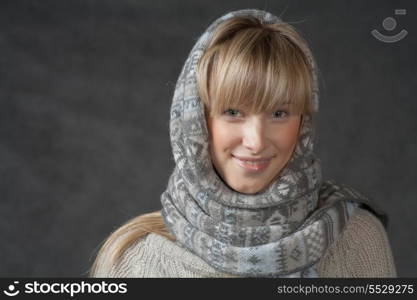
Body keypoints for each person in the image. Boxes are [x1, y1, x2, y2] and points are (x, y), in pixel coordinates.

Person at [89, 9, 396, 278]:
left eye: (279, 113)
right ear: (196, 121)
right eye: (233, 112)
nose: (256, 141)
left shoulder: (356, 239)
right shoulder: (133, 260)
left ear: (303, 122)